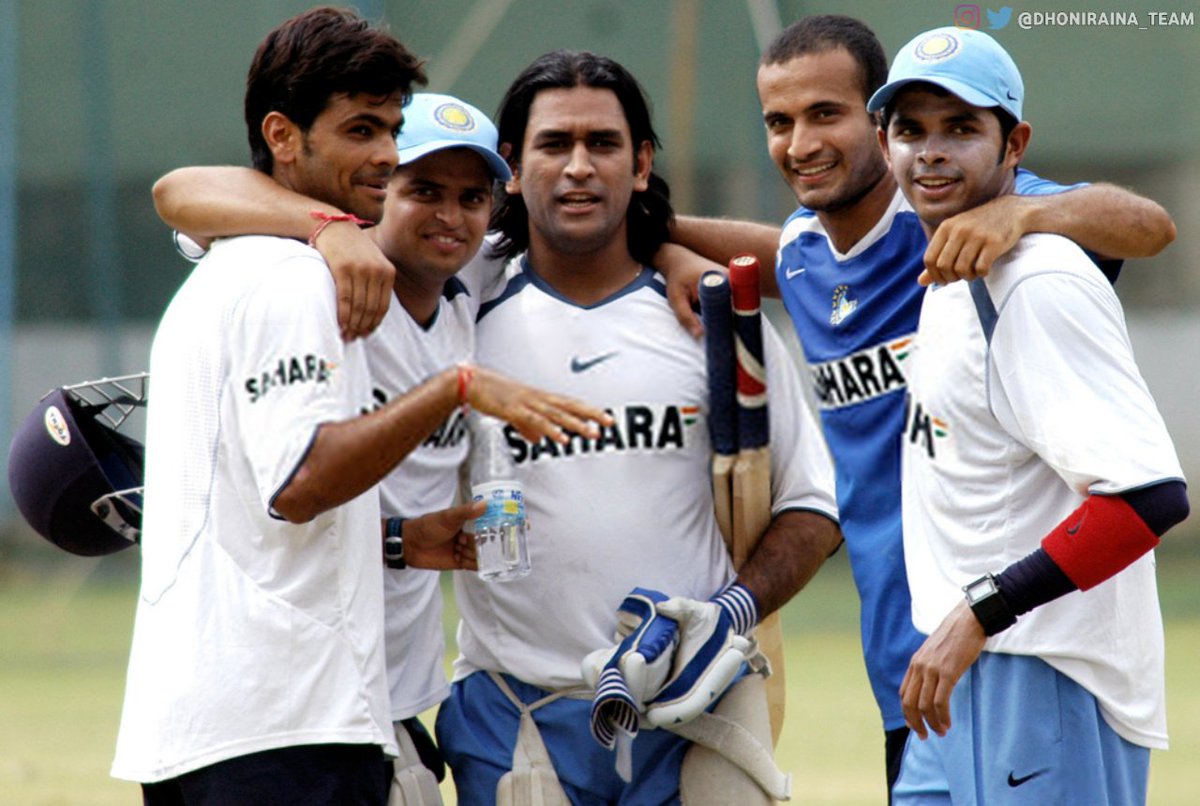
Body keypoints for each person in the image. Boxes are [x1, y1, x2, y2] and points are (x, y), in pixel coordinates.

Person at [663, 14, 1177, 797]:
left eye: (825, 113)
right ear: (890, 132)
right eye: (779, 121)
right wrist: (656, 238)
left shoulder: (976, 231)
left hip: (1019, 640)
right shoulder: (806, 253)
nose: (802, 142)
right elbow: (773, 256)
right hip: (907, 659)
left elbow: (1149, 226)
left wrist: (1027, 212)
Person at [112, 11, 607, 805]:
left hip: (248, 717)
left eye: (390, 130)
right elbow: (299, 484)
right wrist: (454, 388)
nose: (383, 154)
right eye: (361, 131)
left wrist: (405, 540)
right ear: (283, 136)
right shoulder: (297, 277)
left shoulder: (263, 259)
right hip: (283, 722)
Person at [433, 49, 841, 805]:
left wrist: (729, 614)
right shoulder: (458, 315)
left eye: (603, 143)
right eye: (554, 144)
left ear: (642, 162)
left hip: (695, 711)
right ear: (512, 169)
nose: (579, 166)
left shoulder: (716, 319)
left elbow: (813, 505)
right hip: (516, 713)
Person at [864, 26, 1188, 804]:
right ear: (884, 145)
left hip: (1044, 674)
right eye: (911, 130)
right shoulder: (949, 259)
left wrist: (980, 614)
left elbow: (1148, 498)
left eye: (961, 128)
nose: (931, 152)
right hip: (962, 674)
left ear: (1014, 145)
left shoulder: (1036, 278)